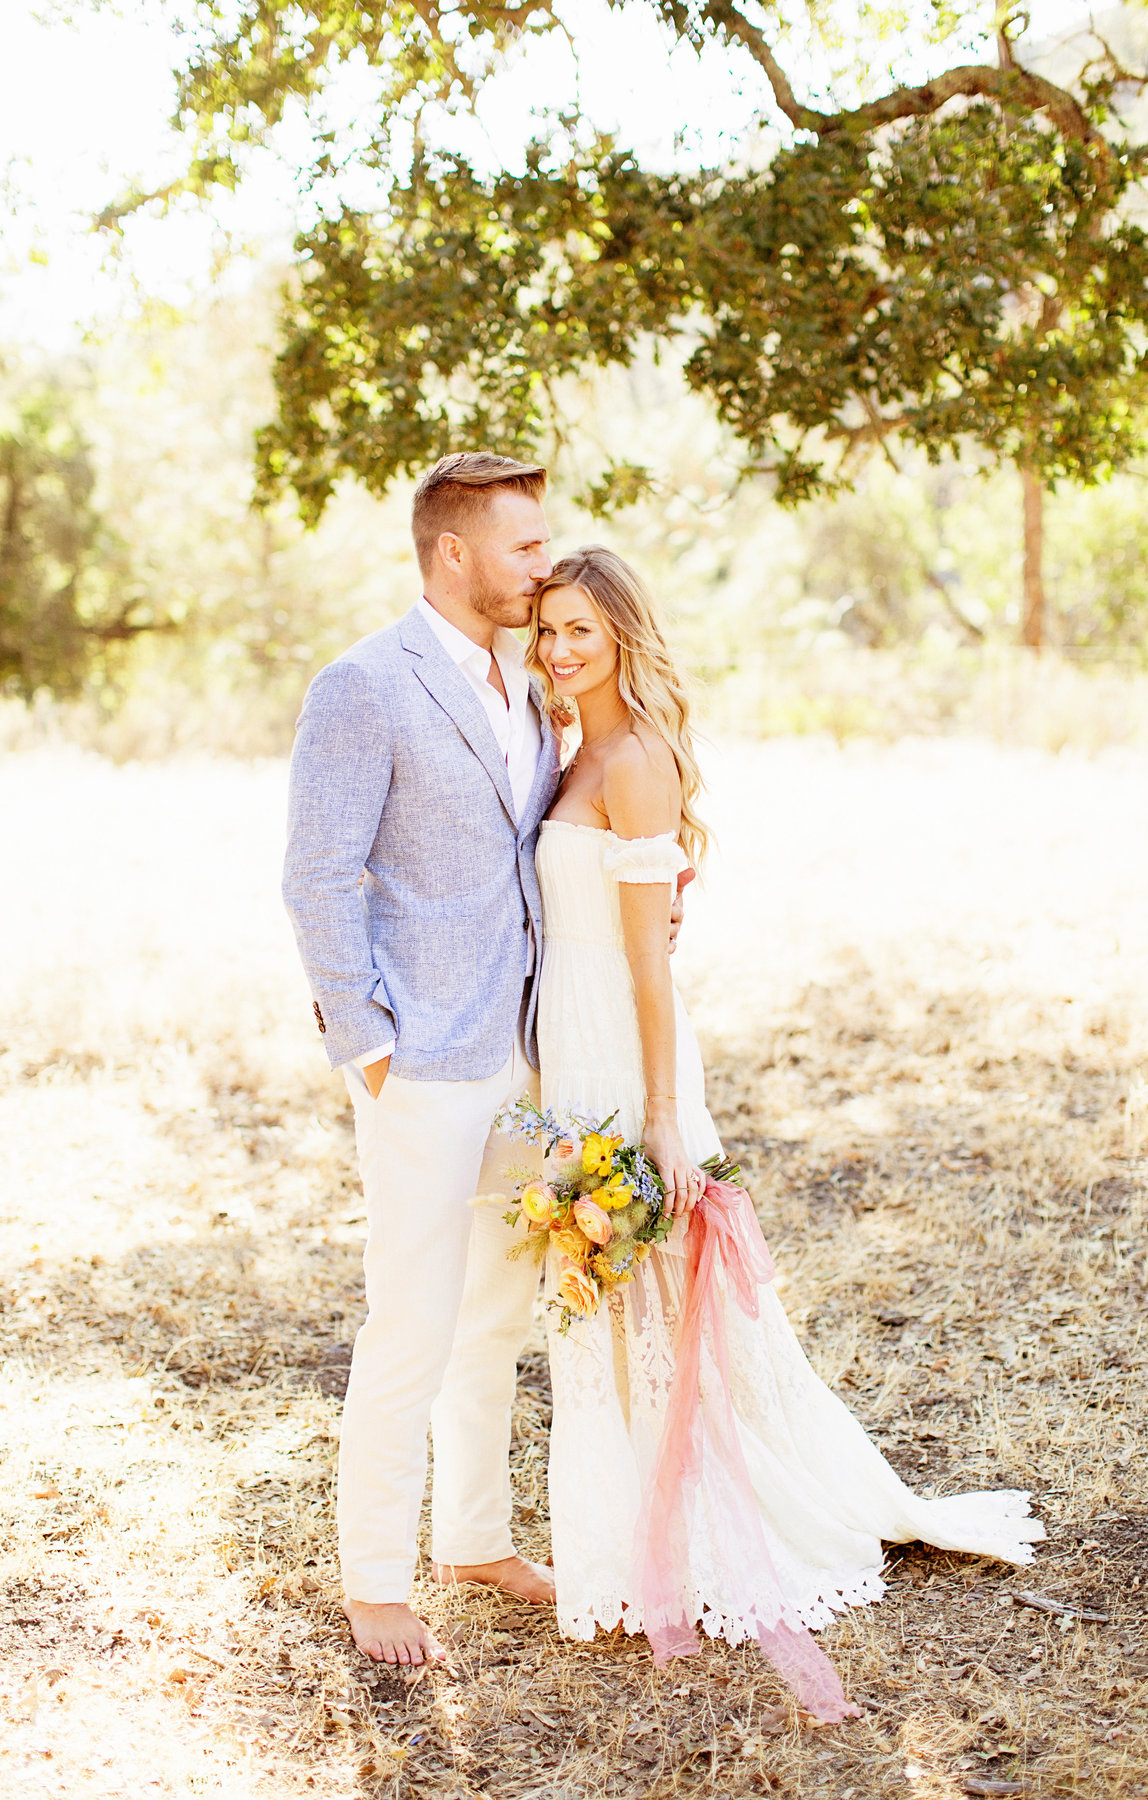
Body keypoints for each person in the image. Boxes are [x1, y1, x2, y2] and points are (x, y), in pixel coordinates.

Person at [527, 544, 1044, 1713]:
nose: (560, 651)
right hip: (569, 1048)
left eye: (581, 633)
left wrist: (661, 1116)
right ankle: (628, 1536)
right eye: (547, 631)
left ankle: (711, 1536)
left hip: (625, 1051)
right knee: (605, 1301)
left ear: (623, 638)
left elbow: (652, 970)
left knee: (659, 1294)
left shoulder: (638, 761)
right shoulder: (572, 752)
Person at [282, 455, 687, 1667]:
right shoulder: (362, 685)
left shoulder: (523, 686)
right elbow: (315, 877)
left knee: (496, 1318)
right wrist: (367, 1046)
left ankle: (471, 1537)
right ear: (453, 554)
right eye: (522, 547)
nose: (539, 565)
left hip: (529, 1057)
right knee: (410, 1322)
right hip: (423, 1065)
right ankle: (373, 1580)